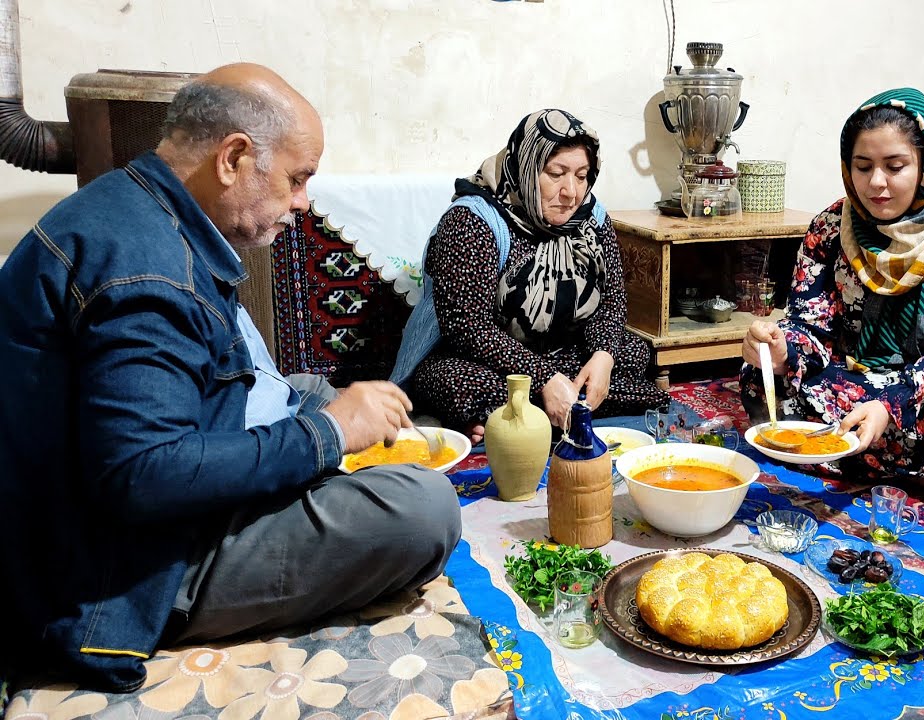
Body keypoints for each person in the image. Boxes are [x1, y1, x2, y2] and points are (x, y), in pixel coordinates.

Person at [0, 64, 461, 692]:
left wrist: (329, 415)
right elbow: (142, 474)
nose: (303, 203)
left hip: (132, 491)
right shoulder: (148, 273)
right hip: (120, 569)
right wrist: (326, 437)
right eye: (297, 180)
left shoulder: (137, 206)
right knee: (422, 511)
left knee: (328, 394)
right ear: (234, 158)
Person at [739, 88, 924, 513]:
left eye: (895, 166)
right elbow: (809, 323)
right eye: (863, 167)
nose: (876, 183)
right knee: (759, 372)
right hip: (855, 379)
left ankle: (861, 453)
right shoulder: (832, 225)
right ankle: (900, 462)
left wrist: (890, 404)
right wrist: (781, 347)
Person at [392, 109, 667, 441]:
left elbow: (611, 303)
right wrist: (543, 379)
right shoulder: (472, 220)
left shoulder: (590, 216)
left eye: (582, 176)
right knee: (454, 383)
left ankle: (516, 416)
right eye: (556, 173)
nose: (571, 192)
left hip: (561, 350)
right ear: (527, 165)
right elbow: (467, 329)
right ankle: (558, 405)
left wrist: (603, 357)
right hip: (485, 360)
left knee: (633, 352)